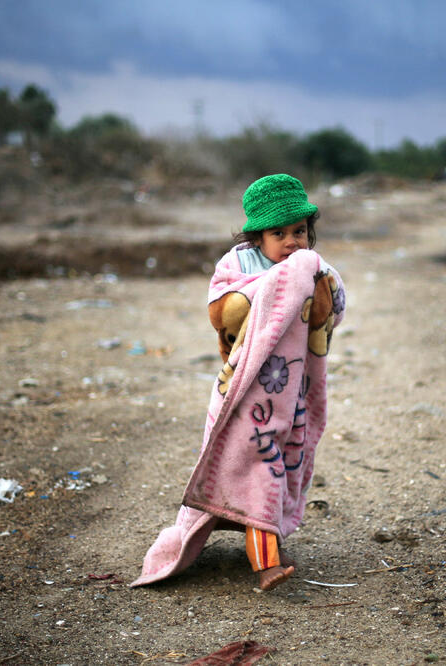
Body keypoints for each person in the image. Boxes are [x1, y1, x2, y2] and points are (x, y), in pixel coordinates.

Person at [130, 174, 346, 591]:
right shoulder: (238, 266)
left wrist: (309, 284)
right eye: (278, 233)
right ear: (256, 237)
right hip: (244, 393)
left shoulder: (314, 269)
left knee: (277, 466)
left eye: (299, 232)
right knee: (256, 467)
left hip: (291, 393)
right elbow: (222, 311)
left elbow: (331, 309)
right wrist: (273, 290)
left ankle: (268, 537)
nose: (291, 242)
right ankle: (265, 562)